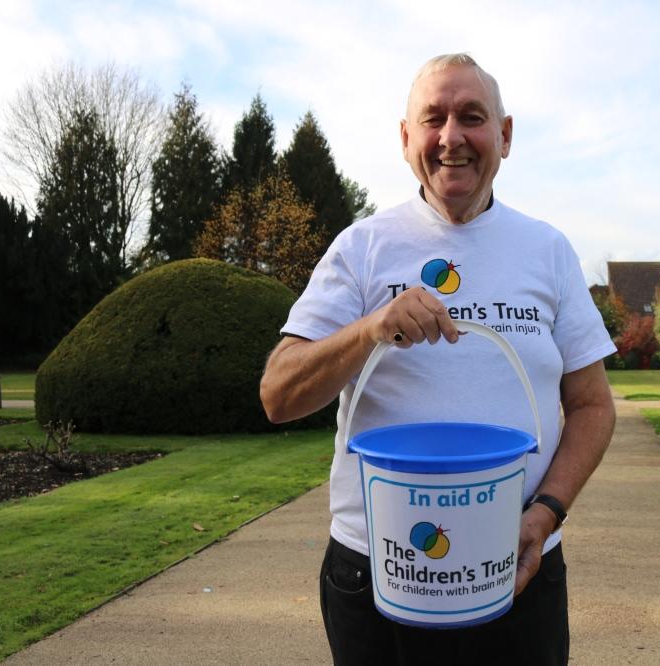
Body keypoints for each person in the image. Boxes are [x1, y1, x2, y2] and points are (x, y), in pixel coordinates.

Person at [260, 53, 616, 666]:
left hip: (517, 566)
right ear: (406, 139)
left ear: (504, 135)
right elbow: (279, 395)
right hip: (379, 572)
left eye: (472, 117)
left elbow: (591, 406)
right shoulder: (363, 248)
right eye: (434, 119)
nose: (452, 137)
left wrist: (547, 512)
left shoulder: (547, 250)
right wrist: (369, 329)